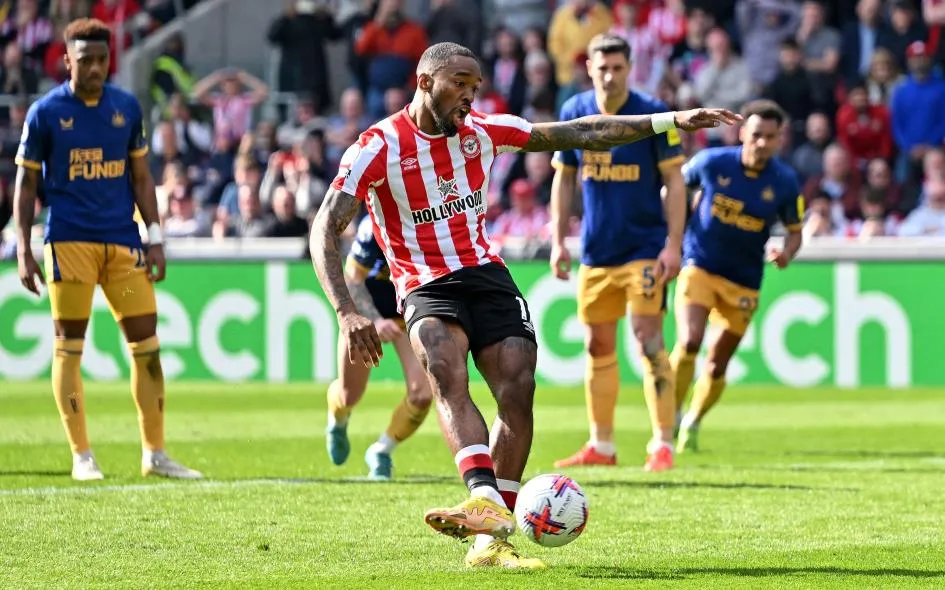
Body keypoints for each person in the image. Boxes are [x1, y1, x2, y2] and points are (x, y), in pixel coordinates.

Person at [309, 41, 738, 569]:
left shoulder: (484, 133)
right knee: (444, 370)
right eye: (459, 83)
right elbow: (324, 228)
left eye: (476, 86)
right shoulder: (378, 146)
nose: (470, 95)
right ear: (424, 82)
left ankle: (490, 533)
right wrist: (347, 311)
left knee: (518, 384)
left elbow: (579, 133)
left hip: (485, 273)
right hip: (424, 282)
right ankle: (486, 503)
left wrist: (669, 120)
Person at [13, 18, 201, 482]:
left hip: (122, 242)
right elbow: (26, 182)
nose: (95, 67)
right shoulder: (45, 113)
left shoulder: (126, 107)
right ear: (66, 61)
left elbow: (141, 177)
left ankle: (155, 453)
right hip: (69, 242)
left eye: (101, 59)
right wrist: (22, 246)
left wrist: (155, 237)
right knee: (69, 349)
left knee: (148, 348)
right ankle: (82, 455)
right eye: (85, 60)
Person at [550, 34, 686, 473]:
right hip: (596, 252)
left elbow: (675, 182)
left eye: (618, 68)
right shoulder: (574, 112)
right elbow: (564, 180)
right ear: (588, 68)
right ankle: (601, 445)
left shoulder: (653, 114)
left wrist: (673, 244)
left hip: (644, 249)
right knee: (596, 346)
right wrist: (558, 240)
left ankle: (663, 443)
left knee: (648, 342)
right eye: (602, 67)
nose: (609, 75)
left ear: (630, 68)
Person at [671, 99, 804, 453]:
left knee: (717, 362)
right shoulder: (712, 163)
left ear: (779, 140)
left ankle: (693, 421)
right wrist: (672, 233)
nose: (762, 143)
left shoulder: (785, 183)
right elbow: (673, 187)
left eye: (770, 137)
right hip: (699, 264)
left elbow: (795, 231)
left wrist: (786, 253)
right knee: (689, 341)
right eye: (757, 134)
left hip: (744, 280)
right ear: (742, 132)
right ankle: (668, 415)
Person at [325, 214, 433, 480]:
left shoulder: (429, 221)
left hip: (408, 313)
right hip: (366, 313)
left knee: (422, 394)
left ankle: (381, 450)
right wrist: (375, 319)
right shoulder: (372, 227)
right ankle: (337, 418)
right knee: (350, 394)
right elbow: (353, 279)